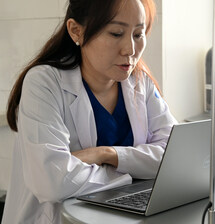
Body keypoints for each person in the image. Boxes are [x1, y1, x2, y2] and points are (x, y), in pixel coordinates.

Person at [2, 0, 176, 223]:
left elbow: (176, 158)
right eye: (116, 33)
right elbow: (53, 182)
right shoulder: (44, 83)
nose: (130, 50)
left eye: (138, 34)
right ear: (77, 31)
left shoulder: (140, 83)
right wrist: (139, 170)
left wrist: (107, 154)